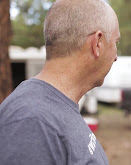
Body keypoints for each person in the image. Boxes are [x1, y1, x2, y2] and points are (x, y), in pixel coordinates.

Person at [0, 0, 120, 164]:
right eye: (116, 42)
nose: (115, 57)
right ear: (98, 43)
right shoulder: (32, 121)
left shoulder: (51, 109)